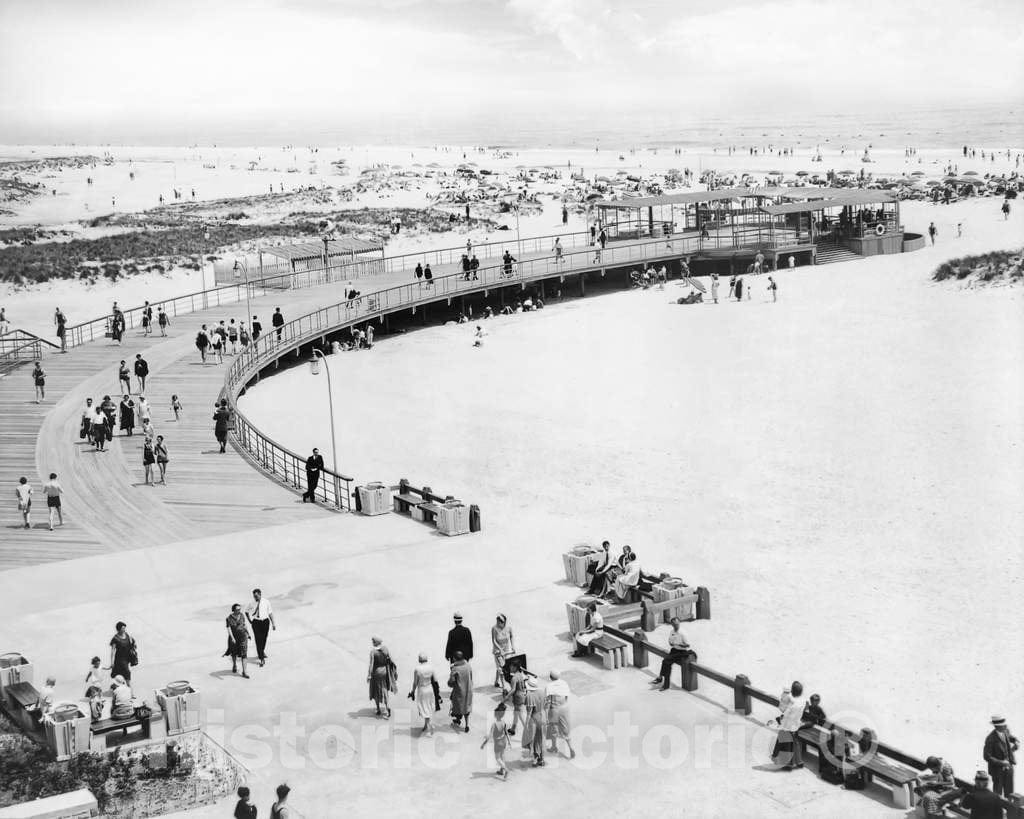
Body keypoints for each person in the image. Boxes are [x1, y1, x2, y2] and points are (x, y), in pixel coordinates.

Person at [649, 618, 696, 690]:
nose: (676, 626)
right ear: (672, 625)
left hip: (681, 652)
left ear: (679, 623)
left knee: (666, 661)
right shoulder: (672, 632)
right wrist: (671, 643)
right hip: (674, 650)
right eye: (674, 624)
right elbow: (670, 642)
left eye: (677, 624)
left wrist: (679, 644)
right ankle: (662, 680)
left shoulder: (683, 633)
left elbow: (688, 645)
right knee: (666, 663)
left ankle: (662, 680)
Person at [772, 681, 807, 769]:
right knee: (795, 742)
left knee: (785, 743)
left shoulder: (791, 704)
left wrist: (784, 695)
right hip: (795, 724)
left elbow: (783, 710)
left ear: (792, 690)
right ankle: (799, 761)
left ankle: (787, 763)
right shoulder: (802, 701)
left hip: (787, 725)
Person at [984, 715, 1019, 797]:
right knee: (997, 793)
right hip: (997, 770)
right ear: (996, 726)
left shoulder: (1005, 730)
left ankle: (1009, 808)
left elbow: (1010, 737)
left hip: (1009, 768)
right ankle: (997, 809)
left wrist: (1015, 741)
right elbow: (987, 756)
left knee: (1010, 791)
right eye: (1003, 725)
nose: (1006, 726)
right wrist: (1002, 763)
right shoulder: (990, 739)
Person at [544, 670, 575, 758]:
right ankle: (571, 748)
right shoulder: (564, 683)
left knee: (554, 728)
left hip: (555, 709)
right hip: (564, 707)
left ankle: (554, 747)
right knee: (566, 730)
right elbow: (566, 696)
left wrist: (546, 716)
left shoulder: (549, 686)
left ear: (550, 677)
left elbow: (548, 702)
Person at [246, 588, 276, 667]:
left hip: (265, 622)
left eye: (256, 596)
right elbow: (246, 611)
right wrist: (249, 621)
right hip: (256, 623)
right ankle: (261, 658)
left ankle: (261, 651)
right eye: (254, 596)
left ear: (260, 594)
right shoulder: (251, 603)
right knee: (258, 640)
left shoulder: (266, 602)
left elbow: (270, 613)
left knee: (264, 638)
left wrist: (273, 623)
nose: (255, 597)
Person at [410, 652, 439, 736]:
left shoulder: (417, 669)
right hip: (430, 688)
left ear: (419, 659)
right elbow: (435, 680)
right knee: (429, 707)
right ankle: (426, 725)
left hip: (422, 689)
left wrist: (412, 691)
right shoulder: (431, 667)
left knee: (424, 708)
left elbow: (415, 682)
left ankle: (429, 728)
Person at [481, 702, 511, 779]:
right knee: (502, 756)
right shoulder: (504, 722)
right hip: (504, 741)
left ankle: (506, 770)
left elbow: (489, 736)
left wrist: (483, 744)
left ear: (496, 715)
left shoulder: (494, 724)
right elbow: (507, 733)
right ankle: (501, 770)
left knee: (497, 758)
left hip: (498, 743)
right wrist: (509, 742)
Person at [522, 674, 547, 766]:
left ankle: (535, 759)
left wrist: (526, 724)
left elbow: (529, 712)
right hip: (543, 716)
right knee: (541, 739)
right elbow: (545, 706)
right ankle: (542, 759)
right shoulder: (542, 692)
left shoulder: (529, 696)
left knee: (533, 740)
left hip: (535, 719)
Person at [368, 637, 395, 718]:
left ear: (376, 642)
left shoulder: (373, 652)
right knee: (384, 688)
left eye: (373, 641)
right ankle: (387, 708)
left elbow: (371, 664)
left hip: (376, 673)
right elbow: (391, 659)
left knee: (376, 690)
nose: (372, 642)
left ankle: (378, 709)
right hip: (385, 671)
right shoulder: (385, 649)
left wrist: (369, 675)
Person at [448, 650, 473, 732]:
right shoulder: (468, 665)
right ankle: (467, 725)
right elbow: (471, 677)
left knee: (458, 706)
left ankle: (457, 719)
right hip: (469, 690)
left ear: (455, 659)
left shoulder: (455, 669)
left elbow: (451, 683)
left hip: (459, 692)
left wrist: (451, 672)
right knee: (466, 707)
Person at [225, 603, 252, 678]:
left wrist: (248, 633)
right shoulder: (229, 618)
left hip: (243, 636)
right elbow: (228, 628)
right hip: (234, 638)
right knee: (234, 653)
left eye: (240, 609)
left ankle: (244, 672)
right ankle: (234, 665)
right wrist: (232, 638)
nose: (239, 611)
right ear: (233, 610)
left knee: (244, 653)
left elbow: (244, 625)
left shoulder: (242, 615)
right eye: (237, 609)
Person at [491, 614, 515, 688]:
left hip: (506, 650)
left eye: (500, 622)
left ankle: (496, 681)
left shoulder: (508, 628)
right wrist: (500, 649)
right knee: (501, 669)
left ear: (504, 622)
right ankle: (504, 687)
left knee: (504, 666)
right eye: (497, 622)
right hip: (498, 651)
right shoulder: (494, 628)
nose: (498, 624)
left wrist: (513, 646)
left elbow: (511, 636)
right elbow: (494, 640)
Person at [506, 659, 528, 736]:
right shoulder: (520, 674)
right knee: (516, 714)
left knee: (521, 716)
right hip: (522, 696)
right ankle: (512, 729)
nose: (510, 667)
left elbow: (513, 690)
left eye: (511, 666)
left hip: (517, 698)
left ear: (515, 667)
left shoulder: (514, 678)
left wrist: (506, 697)